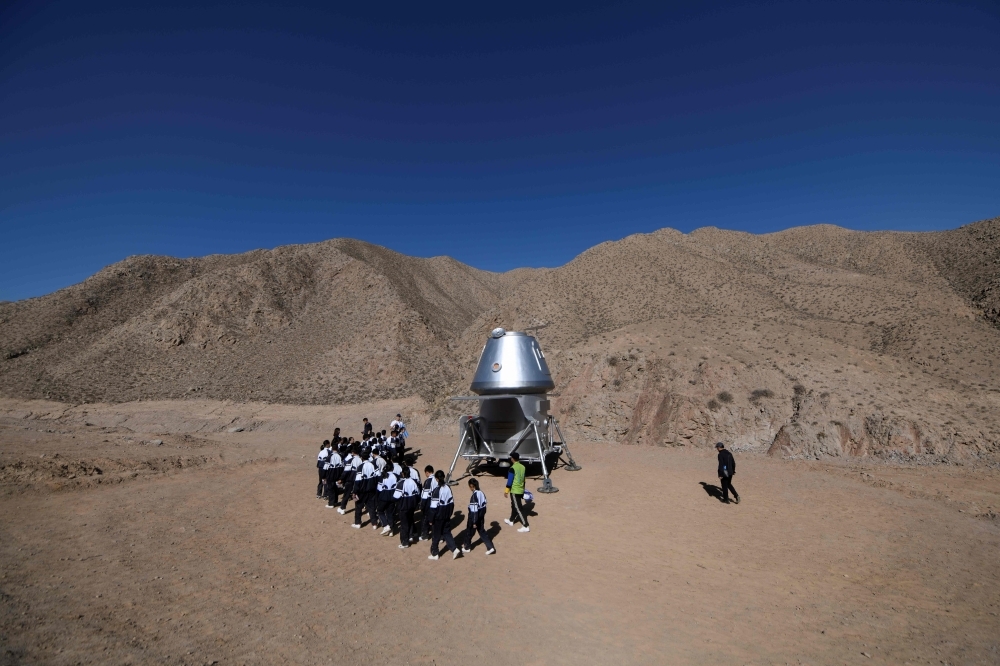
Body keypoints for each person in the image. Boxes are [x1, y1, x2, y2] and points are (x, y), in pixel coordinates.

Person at [428, 470, 461, 560]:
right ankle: (454, 549)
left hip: (438, 516)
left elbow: (433, 508)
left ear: (437, 479)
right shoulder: (448, 488)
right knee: (447, 532)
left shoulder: (436, 491)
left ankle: (435, 553)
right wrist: (449, 514)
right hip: (446, 514)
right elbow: (452, 503)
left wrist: (431, 520)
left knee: (436, 535)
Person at [461, 478, 496, 555]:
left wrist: (474, 522)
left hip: (474, 518)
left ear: (471, 486)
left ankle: (467, 547)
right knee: (482, 532)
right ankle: (490, 547)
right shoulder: (481, 493)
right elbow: (484, 505)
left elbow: (474, 510)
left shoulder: (474, 496)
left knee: (469, 532)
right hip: (481, 516)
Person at [394, 465, 421, 549]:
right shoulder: (413, 482)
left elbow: (396, 496)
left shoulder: (401, 483)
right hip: (412, 505)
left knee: (404, 524)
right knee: (410, 520)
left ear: (403, 474)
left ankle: (405, 542)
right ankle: (410, 536)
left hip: (404, 506)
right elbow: (418, 493)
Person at [503, 452, 530, 532]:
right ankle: (511, 520)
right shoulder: (523, 467)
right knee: (514, 505)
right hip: (521, 489)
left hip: (515, 490)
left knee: (518, 508)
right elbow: (524, 480)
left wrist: (506, 491)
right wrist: (523, 490)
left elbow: (509, 481)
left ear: (512, 458)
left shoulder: (512, 468)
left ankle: (525, 525)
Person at [376, 466, 399, 536]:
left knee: (380, 510)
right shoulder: (396, 476)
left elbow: (379, 489)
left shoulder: (383, 476)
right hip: (393, 496)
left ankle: (385, 525)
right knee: (390, 513)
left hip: (384, 496)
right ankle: (391, 530)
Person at [419, 465, 438, 541]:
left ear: (427, 472)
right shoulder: (437, 479)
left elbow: (424, 495)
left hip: (429, 501)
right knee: (435, 519)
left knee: (425, 518)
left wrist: (422, 505)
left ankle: (425, 535)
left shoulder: (428, 481)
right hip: (436, 501)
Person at [325, 443, 344, 509]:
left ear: (332, 449)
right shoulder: (340, 456)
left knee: (331, 489)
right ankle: (335, 501)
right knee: (336, 488)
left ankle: (331, 503)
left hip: (331, 474)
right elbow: (342, 467)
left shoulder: (329, 457)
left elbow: (325, 468)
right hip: (338, 474)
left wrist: (324, 476)